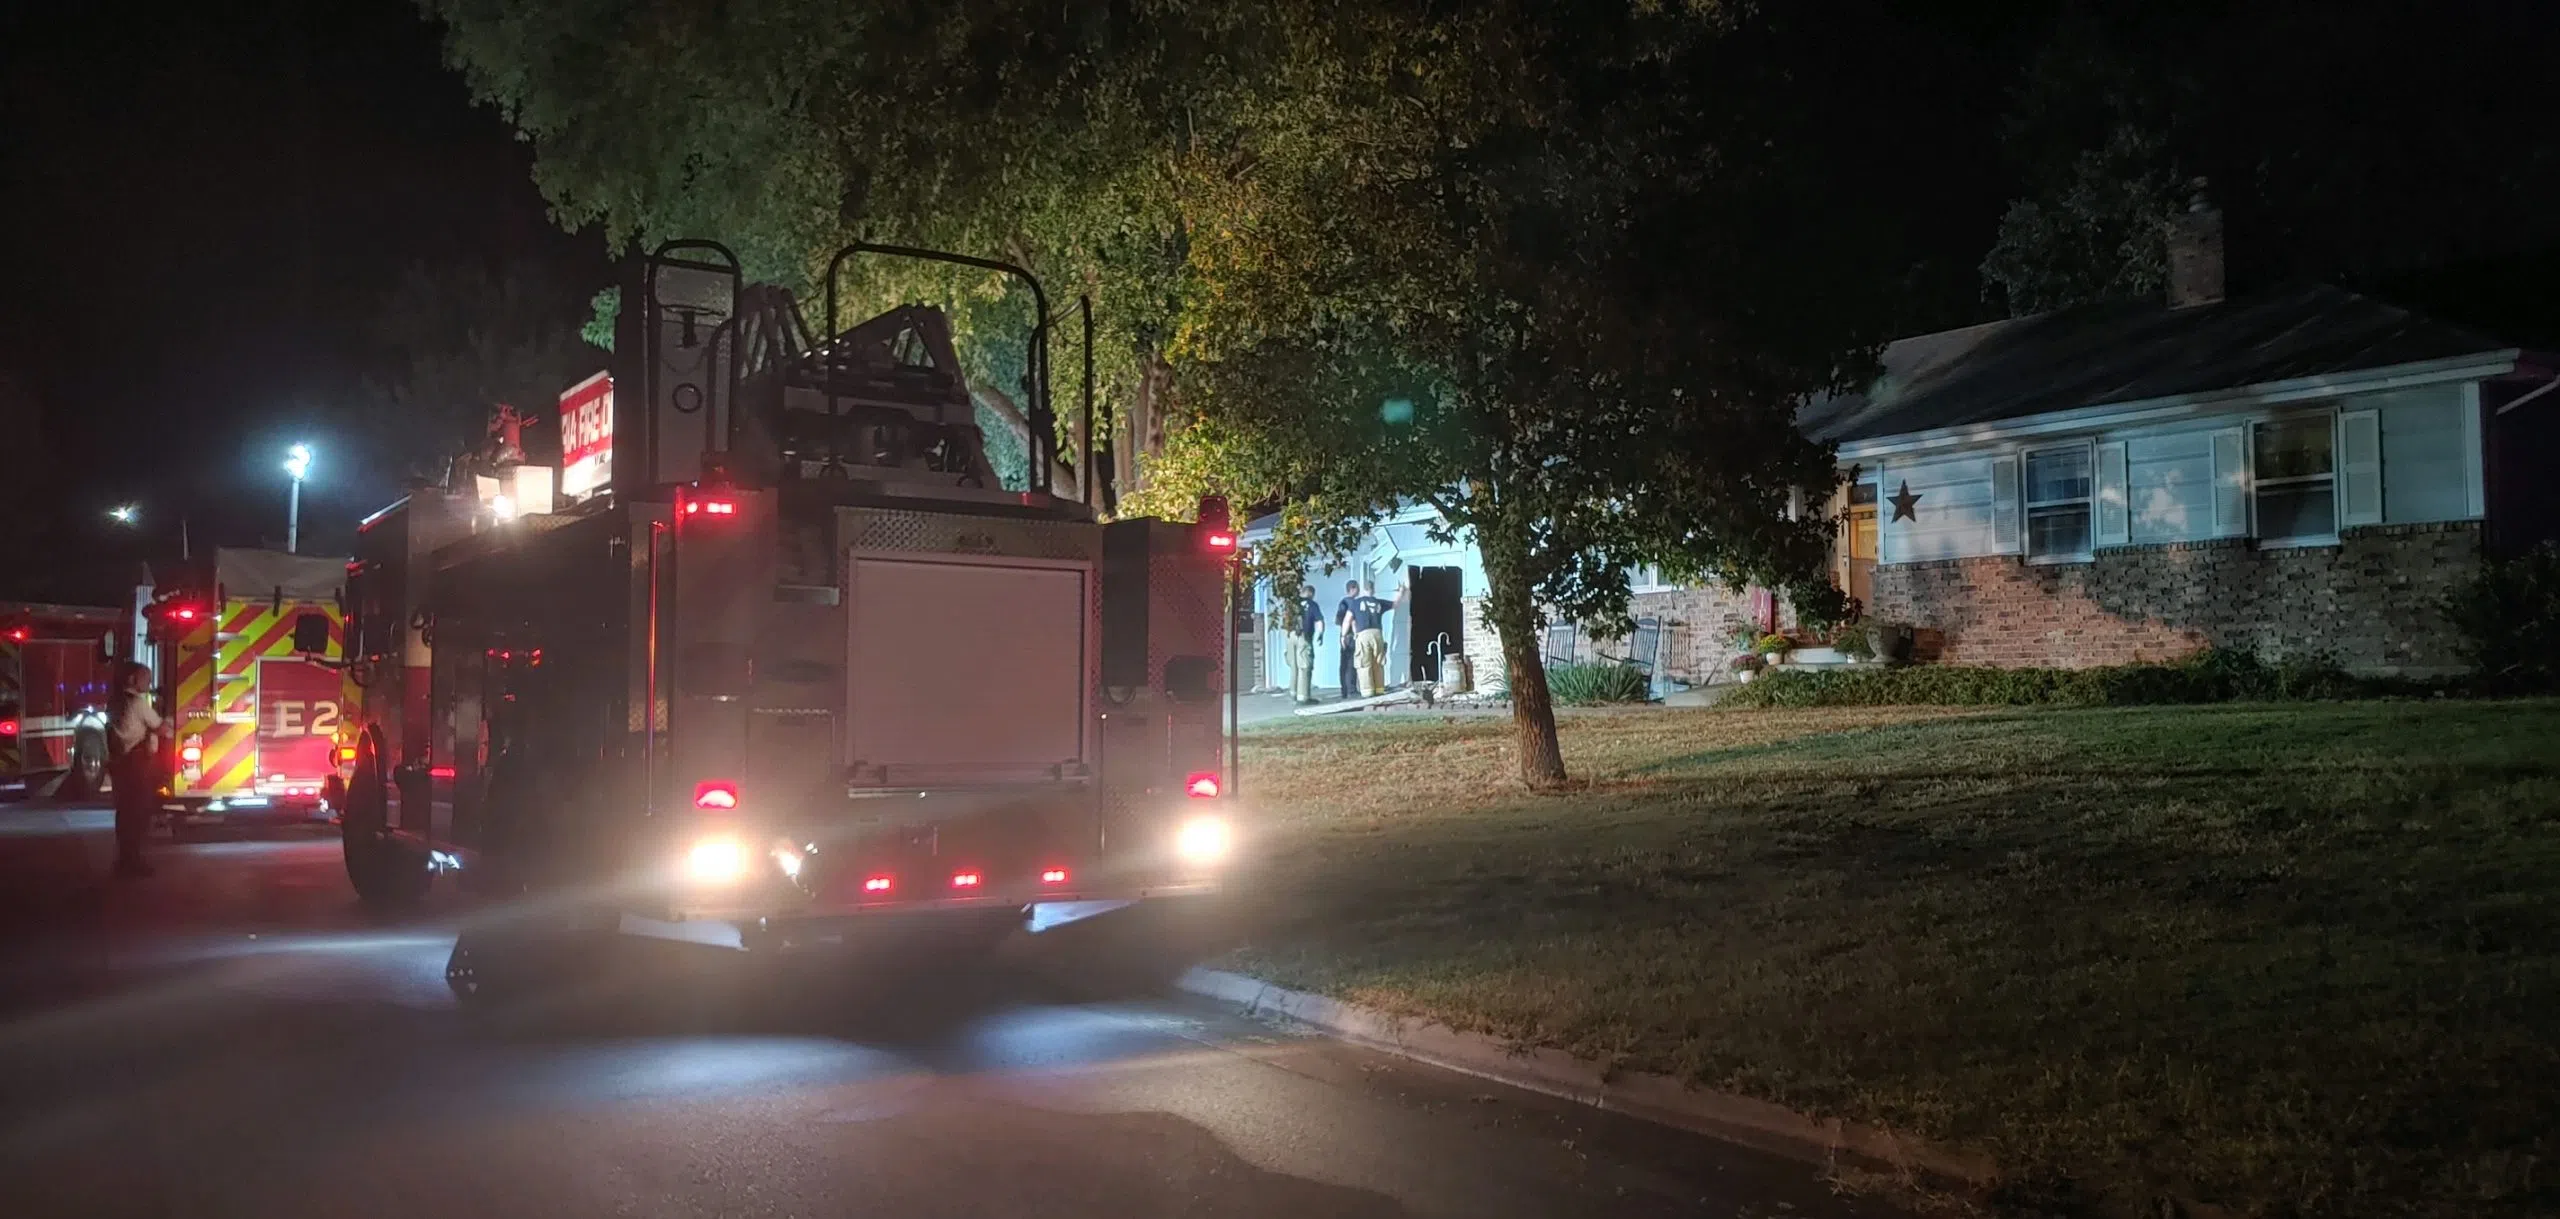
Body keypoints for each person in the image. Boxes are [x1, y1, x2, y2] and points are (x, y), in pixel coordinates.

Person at [106, 661, 164, 878]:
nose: (149, 683)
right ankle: (134, 862)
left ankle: (124, 859)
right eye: (145, 678)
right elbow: (161, 728)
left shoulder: (115, 701)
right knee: (138, 814)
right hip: (136, 765)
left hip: (119, 764)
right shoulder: (137, 703)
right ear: (132, 679)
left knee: (124, 813)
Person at [1346, 579, 1406, 698]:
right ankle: (1379, 689)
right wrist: (1401, 592)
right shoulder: (1379, 602)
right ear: (1373, 589)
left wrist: (1343, 635)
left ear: (1363, 589)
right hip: (1377, 634)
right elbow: (1396, 604)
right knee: (1378, 662)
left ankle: (1368, 691)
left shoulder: (1355, 603)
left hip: (1363, 634)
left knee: (1364, 663)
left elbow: (1348, 619)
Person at [1284, 583, 1324, 704]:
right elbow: (1319, 621)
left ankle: (1293, 693)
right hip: (1303, 637)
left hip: (1291, 636)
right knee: (1304, 666)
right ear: (1311, 593)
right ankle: (1303, 696)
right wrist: (1320, 634)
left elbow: (1285, 620)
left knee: (1294, 666)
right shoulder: (1312, 605)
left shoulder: (1292, 604)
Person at [1334, 580, 1361, 698]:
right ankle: (1351, 690)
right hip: (1351, 635)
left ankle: (1344, 690)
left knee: (1344, 663)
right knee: (1351, 663)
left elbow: (1338, 620)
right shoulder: (1353, 603)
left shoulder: (1343, 603)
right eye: (1357, 588)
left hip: (1344, 635)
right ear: (1353, 589)